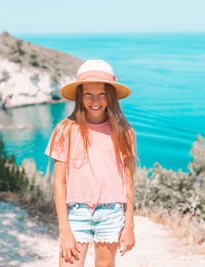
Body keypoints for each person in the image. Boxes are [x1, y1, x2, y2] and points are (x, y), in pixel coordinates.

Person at [44, 59, 137, 266]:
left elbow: (128, 181)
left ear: (110, 95)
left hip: (111, 212)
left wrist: (129, 225)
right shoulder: (65, 130)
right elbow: (60, 183)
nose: (95, 100)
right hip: (76, 212)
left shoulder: (125, 132)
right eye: (88, 94)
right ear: (80, 96)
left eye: (101, 93)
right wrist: (64, 230)